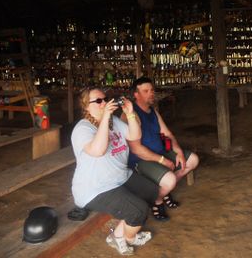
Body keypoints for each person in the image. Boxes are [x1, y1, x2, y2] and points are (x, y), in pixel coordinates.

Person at [71, 87, 159, 255]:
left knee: (152, 191)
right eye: (98, 101)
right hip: (95, 188)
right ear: (86, 106)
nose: (104, 103)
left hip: (119, 177)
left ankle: (117, 234)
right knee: (138, 210)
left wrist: (131, 113)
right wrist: (105, 118)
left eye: (105, 99)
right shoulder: (82, 129)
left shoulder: (114, 121)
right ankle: (129, 238)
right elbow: (99, 150)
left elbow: (134, 136)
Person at [125, 77, 199, 221]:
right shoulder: (131, 114)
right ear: (136, 95)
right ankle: (157, 200)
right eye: (146, 91)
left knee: (192, 160)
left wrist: (177, 152)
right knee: (170, 180)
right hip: (141, 160)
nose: (151, 93)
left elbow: (168, 134)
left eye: (152, 90)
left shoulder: (152, 111)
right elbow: (136, 149)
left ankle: (162, 192)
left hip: (161, 152)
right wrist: (162, 160)